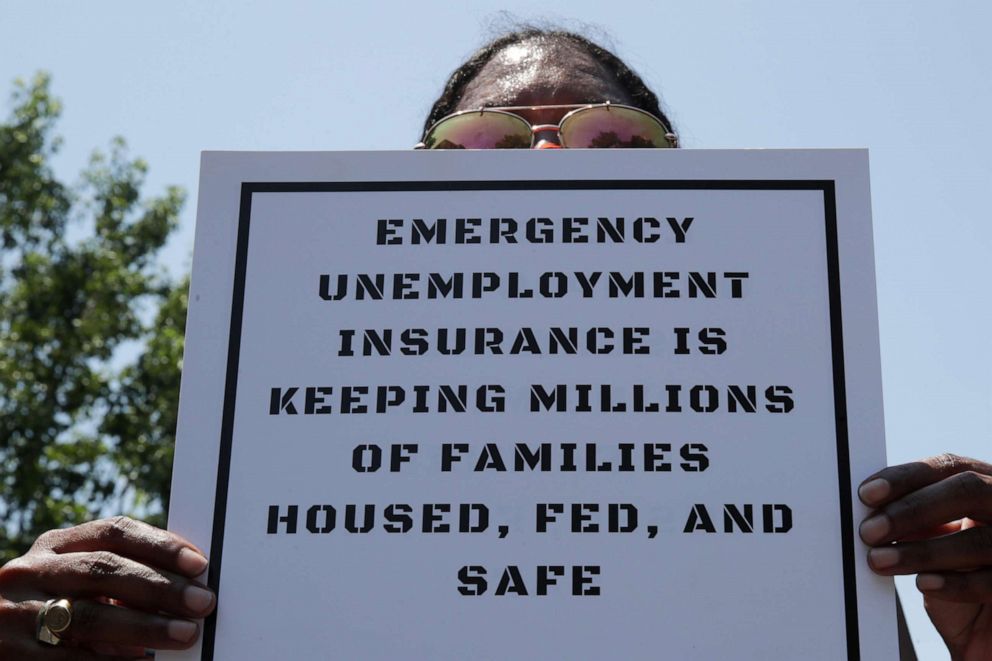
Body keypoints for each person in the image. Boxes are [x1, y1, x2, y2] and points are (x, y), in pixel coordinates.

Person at [1, 27, 988, 660]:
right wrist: (39, 639)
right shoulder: (235, 548)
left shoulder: (818, 564)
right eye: (490, 138)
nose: (550, 159)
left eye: (610, 134)